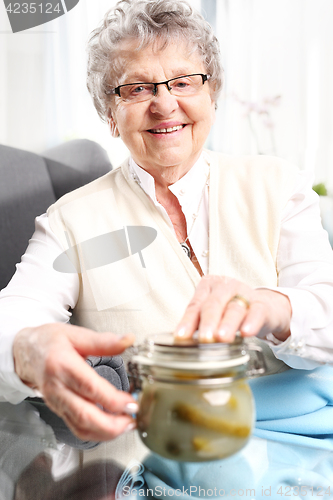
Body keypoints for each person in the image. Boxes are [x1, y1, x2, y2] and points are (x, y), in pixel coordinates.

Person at [0, 0, 333, 460]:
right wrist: (26, 347)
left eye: (183, 81)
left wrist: (272, 306)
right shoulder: (68, 221)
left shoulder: (279, 185)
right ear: (110, 114)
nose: (164, 103)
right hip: (154, 462)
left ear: (211, 93)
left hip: (300, 448)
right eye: (137, 89)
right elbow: (13, 315)